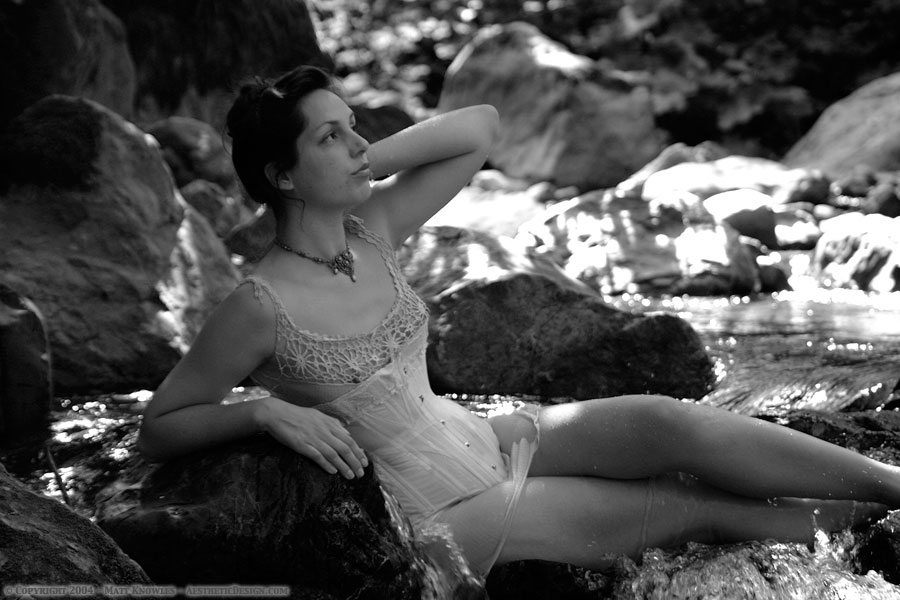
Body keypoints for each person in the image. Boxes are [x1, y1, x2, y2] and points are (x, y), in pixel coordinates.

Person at [138, 65, 900, 578]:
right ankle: (872, 537)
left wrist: (359, 161)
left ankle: (892, 487)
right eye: (328, 137)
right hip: (438, 519)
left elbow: (480, 127)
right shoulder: (258, 304)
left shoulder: (373, 229)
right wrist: (263, 412)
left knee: (672, 425)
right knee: (688, 508)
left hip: (484, 440)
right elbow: (161, 425)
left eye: (352, 125)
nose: (357, 143)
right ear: (281, 174)